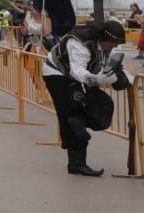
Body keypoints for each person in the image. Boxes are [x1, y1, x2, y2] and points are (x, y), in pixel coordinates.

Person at [44, 19, 127, 176]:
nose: (115, 47)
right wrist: (98, 80)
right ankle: (76, 164)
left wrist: (121, 76)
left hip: (77, 76)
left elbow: (109, 63)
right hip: (57, 75)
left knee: (103, 103)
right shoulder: (79, 44)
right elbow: (78, 71)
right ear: (104, 38)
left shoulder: (105, 45)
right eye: (114, 43)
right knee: (68, 113)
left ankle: (79, 121)